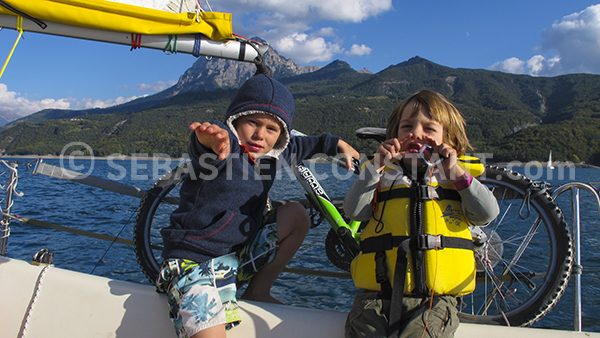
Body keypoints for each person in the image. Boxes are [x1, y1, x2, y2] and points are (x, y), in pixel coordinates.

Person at [158, 73, 359, 338]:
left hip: (235, 259)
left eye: (271, 129)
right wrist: (209, 139)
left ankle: (259, 290)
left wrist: (338, 144)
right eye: (252, 122)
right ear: (235, 120)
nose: (259, 135)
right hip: (193, 261)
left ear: (280, 135)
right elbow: (204, 144)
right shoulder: (225, 148)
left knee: (297, 215)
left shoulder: (274, 152)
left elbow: (307, 143)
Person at [343, 89, 499, 338]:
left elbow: (487, 213)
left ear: (448, 139)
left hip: (434, 302)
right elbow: (354, 212)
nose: (416, 134)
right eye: (407, 127)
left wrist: (456, 172)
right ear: (394, 135)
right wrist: (375, 167)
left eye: (429, 128)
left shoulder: (454, 178)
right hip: (375, 298)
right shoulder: (380, 174)